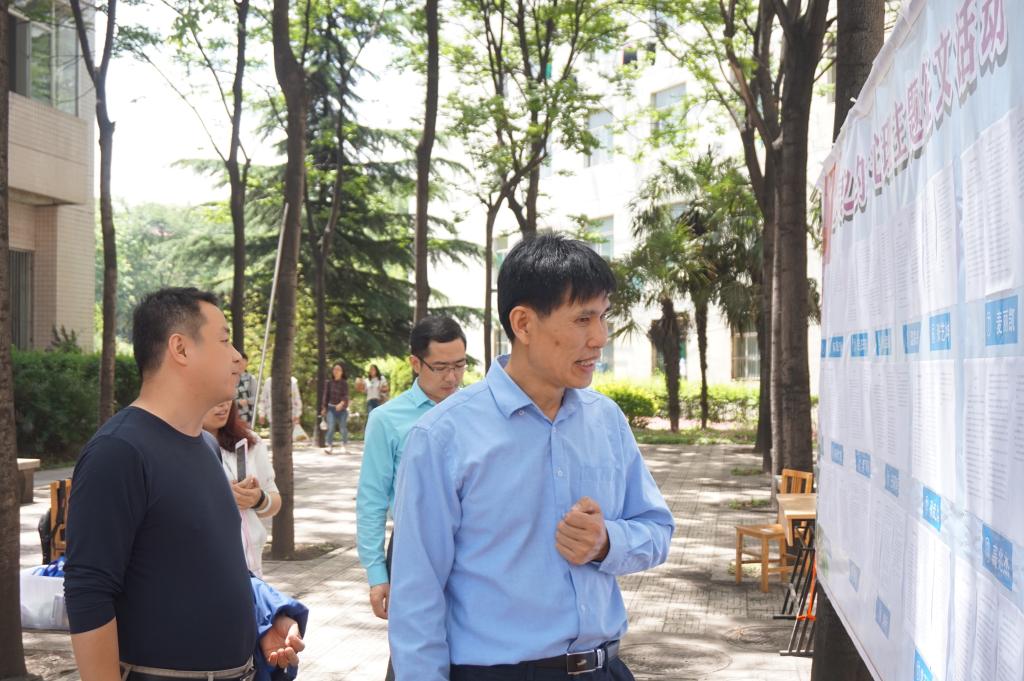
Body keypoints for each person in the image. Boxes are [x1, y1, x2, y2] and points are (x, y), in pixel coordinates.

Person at [388, 234, 675, 680]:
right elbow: (416, 595)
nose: (599, 338)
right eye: (582, 319)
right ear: (523, 324)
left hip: (604, 668)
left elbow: (657, 529)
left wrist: (606, 543)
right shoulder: (442, 437)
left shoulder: (607, 420)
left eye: (603, 316)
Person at [64, 287, 306, 681]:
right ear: (180, 348)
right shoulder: (119, 452)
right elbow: (88, 591)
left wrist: (264, 621)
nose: (237, 357)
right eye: (224, 340)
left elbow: (211, 566)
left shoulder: (206, 446)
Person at [356, 316, 467, 681]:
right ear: (416, 363)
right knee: (414, 651)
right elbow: (371, 499)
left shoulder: (476, 412)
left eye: (460, 365)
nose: (452, 377)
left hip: (472, 546)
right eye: (441, 367)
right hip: (411, 547)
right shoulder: (387, 419)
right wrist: (377, 574)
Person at [203, 399, 281, 577]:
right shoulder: (178, 445)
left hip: (250, 564)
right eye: (215, 397)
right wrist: (219, 497)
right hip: (204, 562)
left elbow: (275, 501)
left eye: (227, 398)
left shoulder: (249, 442)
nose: (223, 405)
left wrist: (258, 499)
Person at [320, 363, 350, 454]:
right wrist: (324, 408)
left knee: (343, 428)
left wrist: (341, 403)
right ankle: (329, 446)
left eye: (338, 369)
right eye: (334, 369)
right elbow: (326, 396)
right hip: (331, 409)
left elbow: (346, 396)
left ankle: (344, 445)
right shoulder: (329, 383)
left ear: (342, 372)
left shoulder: (344, 383)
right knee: (331, 427)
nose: (336, 371)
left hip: (342, 409)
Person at [236, 352, 257, 424]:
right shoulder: (230, 377)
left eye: (243, 363)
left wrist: (247, 401)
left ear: (247, 364)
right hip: (233, 414)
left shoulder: (251, 379)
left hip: (247, 415)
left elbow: (256, 398)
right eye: (239, 363)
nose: (241, 365)